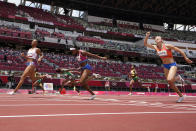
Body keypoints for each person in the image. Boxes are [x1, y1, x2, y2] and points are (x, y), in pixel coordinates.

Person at [144, 32, 193, 102]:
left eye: (158, 38)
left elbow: (179, 50)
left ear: (161, 40)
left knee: (170, 79)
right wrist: (147, 36)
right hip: (165, 66)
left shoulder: (167, 46)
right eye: (155, 39)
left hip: (172, 65)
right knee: (169, 82)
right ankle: (181, 96)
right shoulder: (155, 47)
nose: (156, 39)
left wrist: (186, 58)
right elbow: (145, 44)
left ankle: (178, 77)